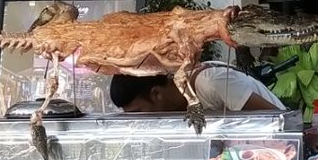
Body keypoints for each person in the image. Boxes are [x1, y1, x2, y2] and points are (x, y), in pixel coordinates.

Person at [110, 64, 286, 115]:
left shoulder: (211, 83)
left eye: (138, 112)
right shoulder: (176, 107)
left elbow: (278, 119)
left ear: (156, 94)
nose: (138, 120)